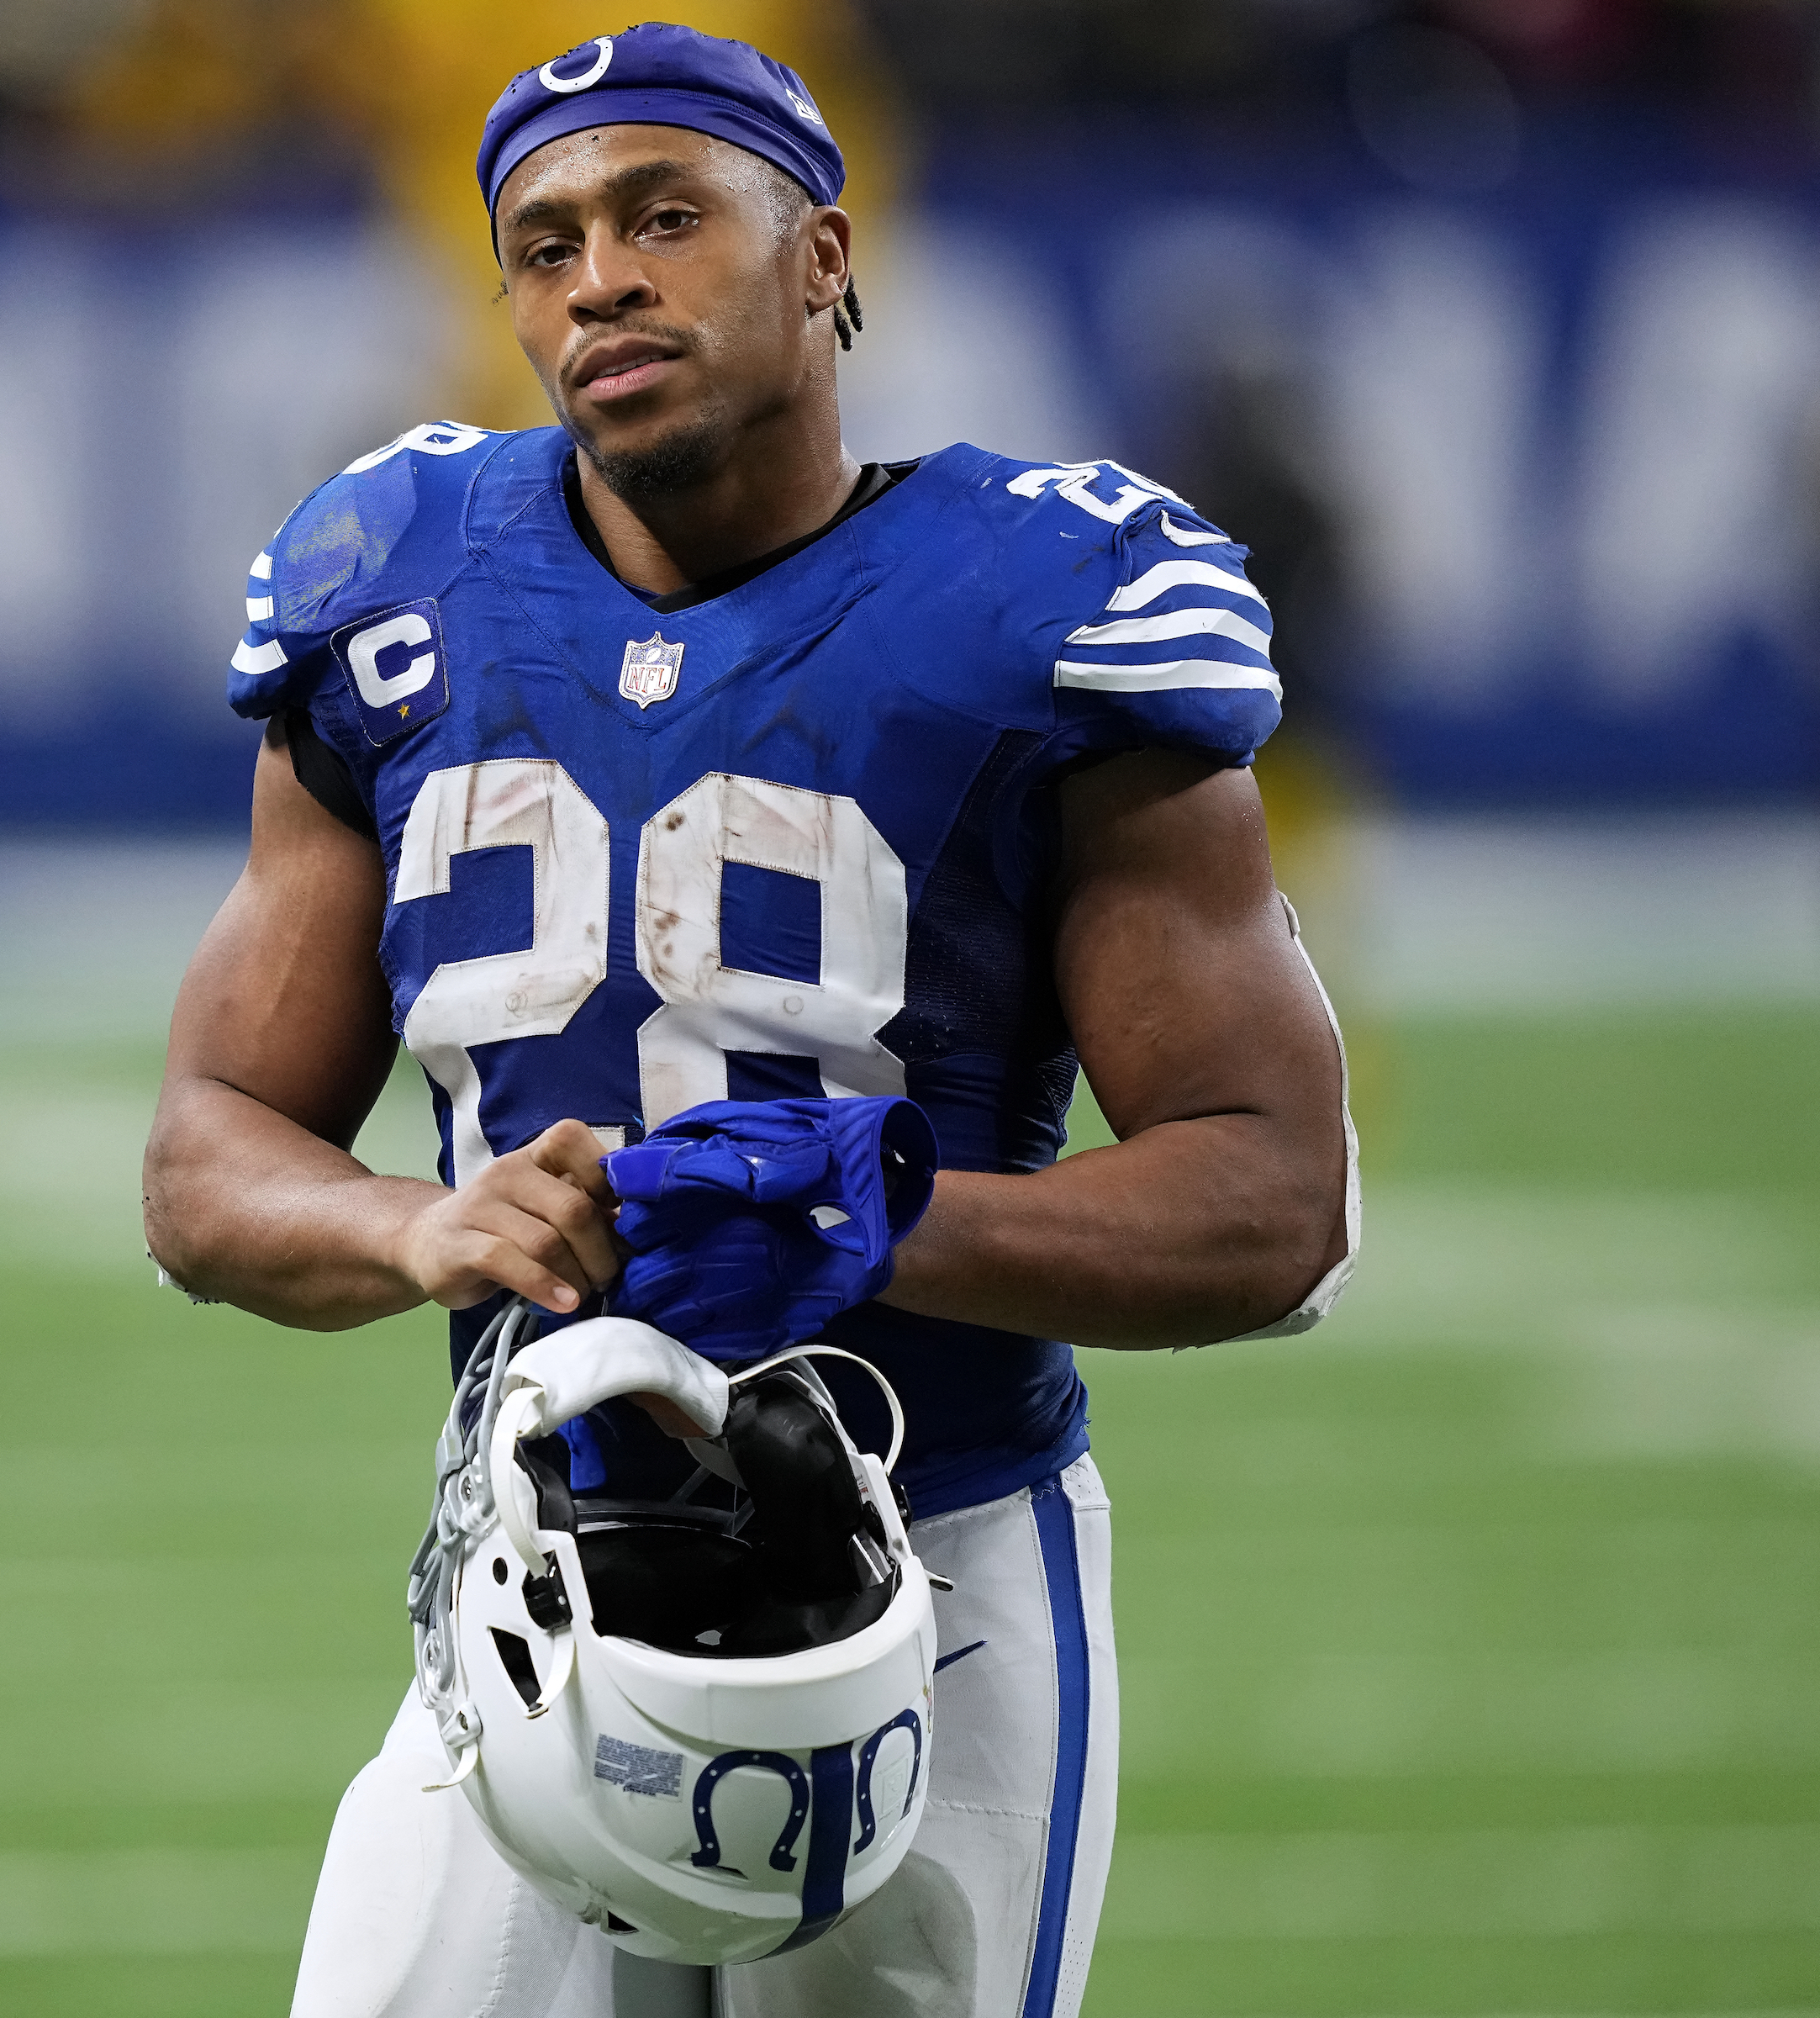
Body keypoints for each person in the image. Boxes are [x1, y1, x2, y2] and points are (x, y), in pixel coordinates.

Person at [141, 24, 1356, 2015]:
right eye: (541, 245)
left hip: (933, 1568)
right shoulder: (397, 594)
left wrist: (891, 1225)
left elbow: (1279, 1200)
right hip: (536, 1553)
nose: (597, 278)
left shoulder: (1038, 605)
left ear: (822, 255)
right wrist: (414, 1227)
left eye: (663, 214)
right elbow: (201, 1156)